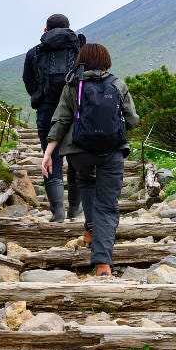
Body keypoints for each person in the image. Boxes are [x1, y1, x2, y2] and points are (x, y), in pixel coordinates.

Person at [41, 43, 139, 277]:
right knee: (107, 205)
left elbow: (61, 119)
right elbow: (132, 119)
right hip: (111, 151)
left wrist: (48, 152)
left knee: (86, 183)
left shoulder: (73, 85)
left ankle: (91, 229)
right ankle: (103, 264)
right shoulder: (117, 84)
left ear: (81, 61)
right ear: (107, 61)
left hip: (79, 152)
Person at [23, 14, 85, 222]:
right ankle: (75, 209)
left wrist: (41, 98)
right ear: (69, 28)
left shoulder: (34, 53)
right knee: (76, 157)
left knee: (51, 158)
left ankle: (57, 212)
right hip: (76, 110)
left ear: (45, 31)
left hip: (46, 111)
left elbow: (29, 82)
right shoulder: (80, 49)